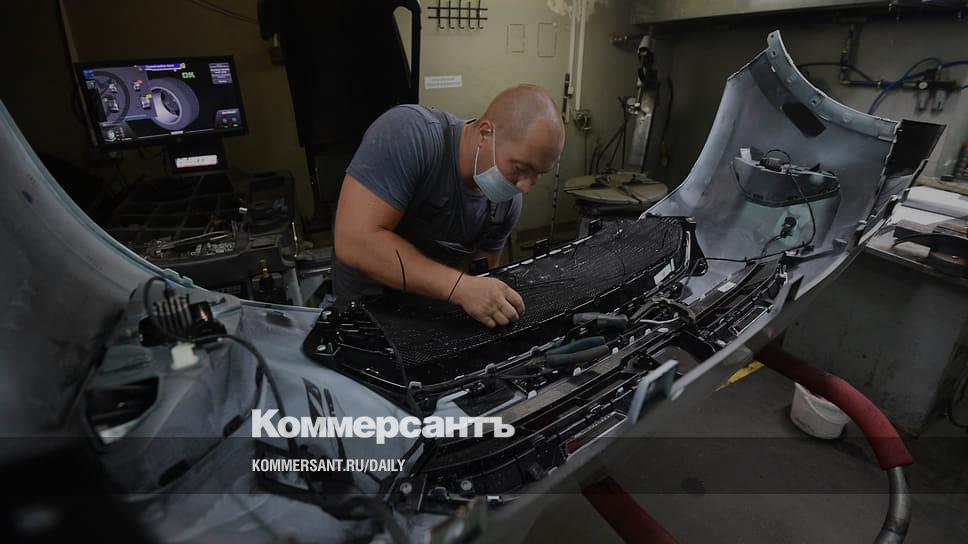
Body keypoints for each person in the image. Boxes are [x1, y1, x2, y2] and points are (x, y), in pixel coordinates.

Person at [332, 84, 565, 328]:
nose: (526, 186)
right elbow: (354, 241)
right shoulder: (410, 135)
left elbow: (480, 273)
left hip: (433, 317)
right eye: (520, 168)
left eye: (539, 173)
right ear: (485, 134)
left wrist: (483, 297)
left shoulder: (506, 203)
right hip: (368, 312)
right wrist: (459, 287)